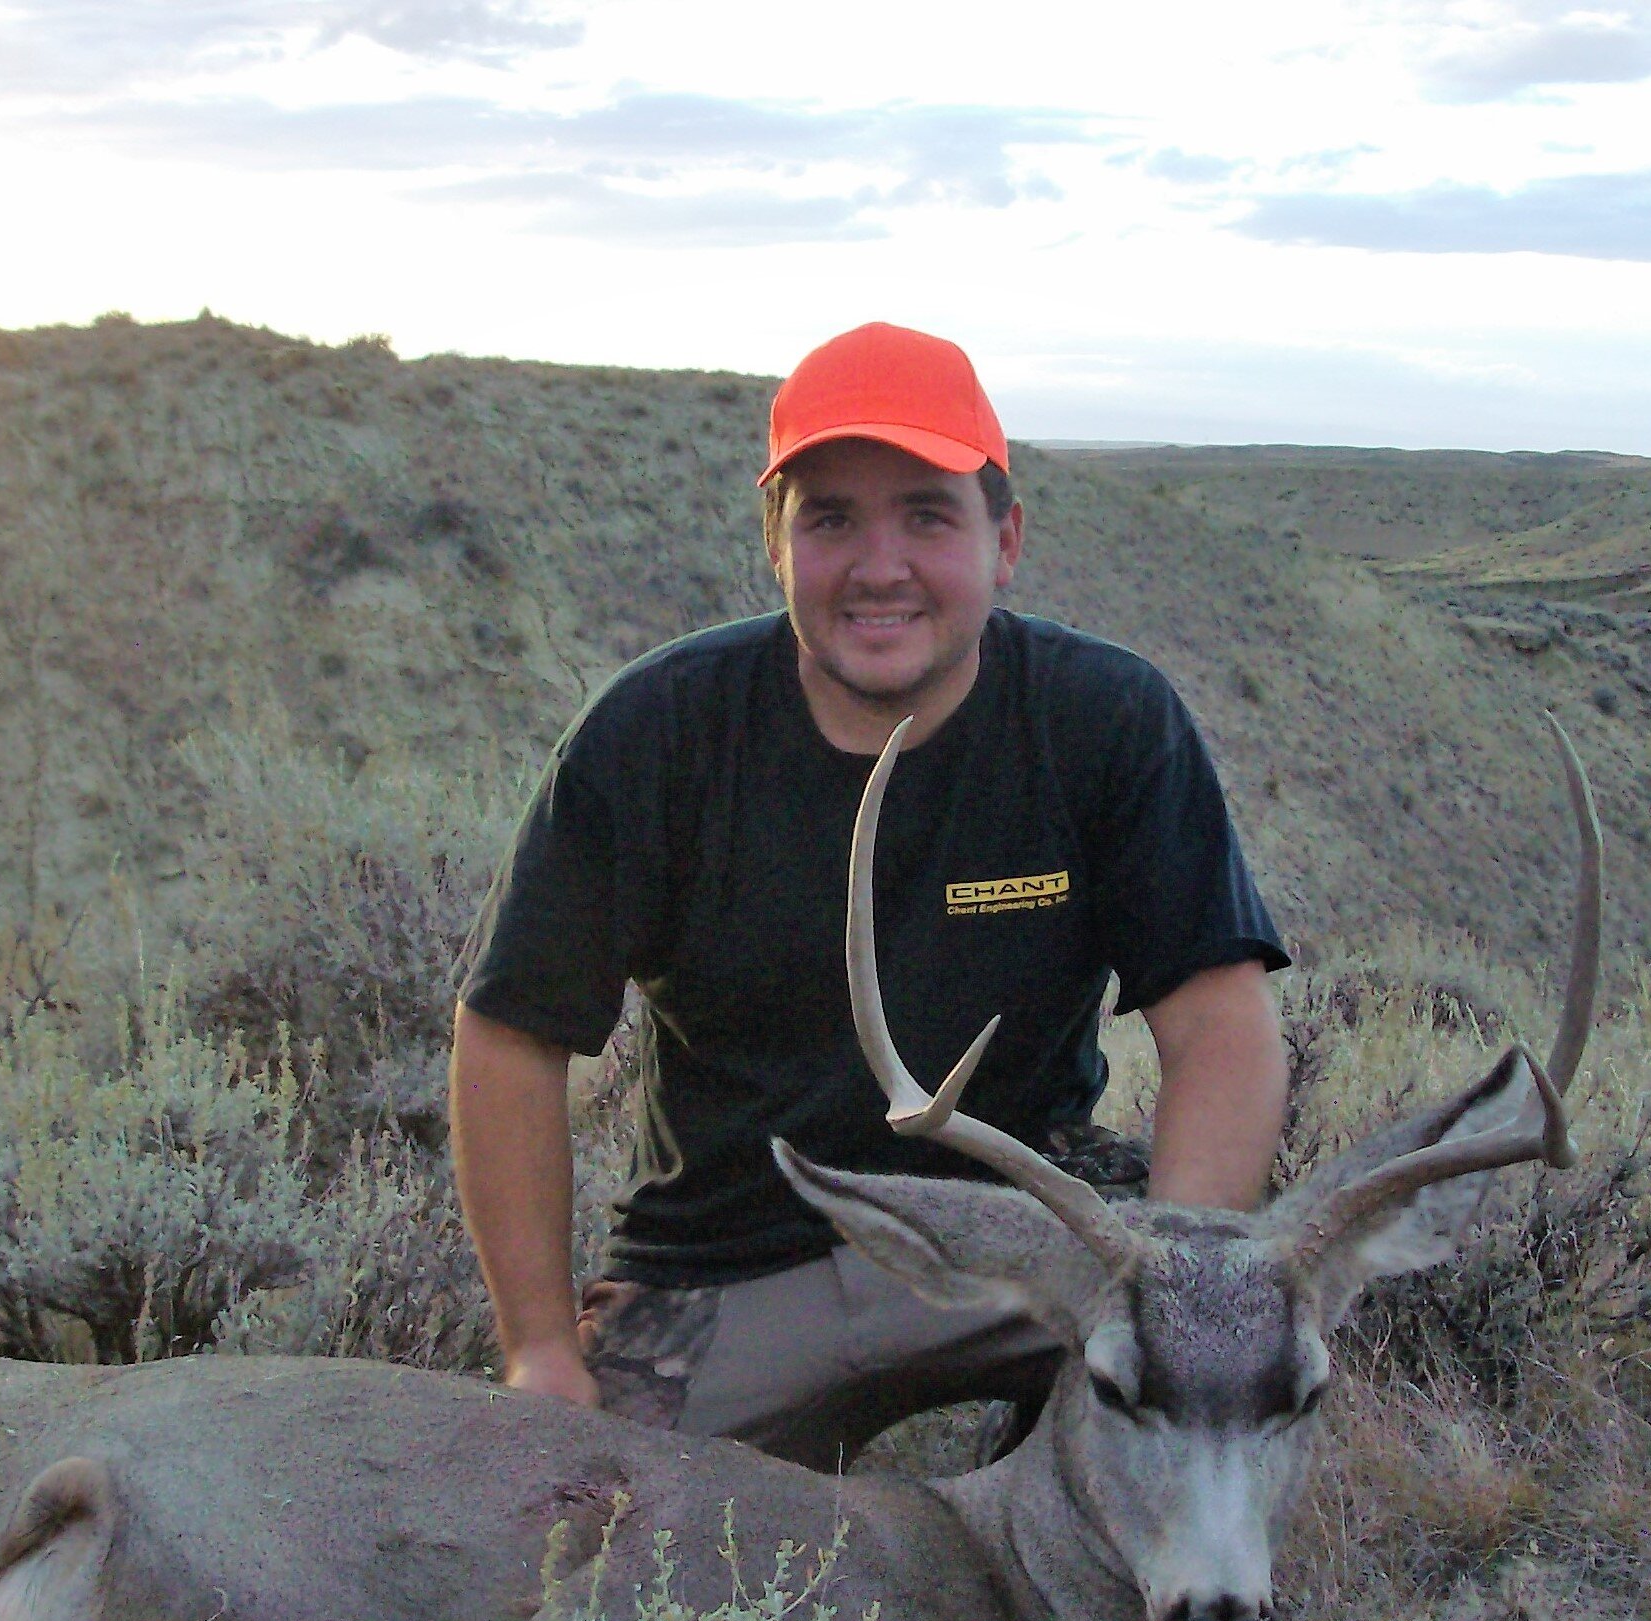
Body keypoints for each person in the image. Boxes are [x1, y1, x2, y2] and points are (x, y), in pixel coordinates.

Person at [450, 321, 1290, 1470]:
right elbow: (508, 1036)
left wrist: (1174, 1301)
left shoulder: (1107, 719)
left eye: (927, 514)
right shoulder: (657, 731)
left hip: (1018, 1250)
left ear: (1006, 542)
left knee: (1215, 1434)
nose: (879, 564)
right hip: (732, 1264)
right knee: (577, 1525)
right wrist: (541, 1347)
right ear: (775, 543)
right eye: (830, 517)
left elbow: (1221, 1029)